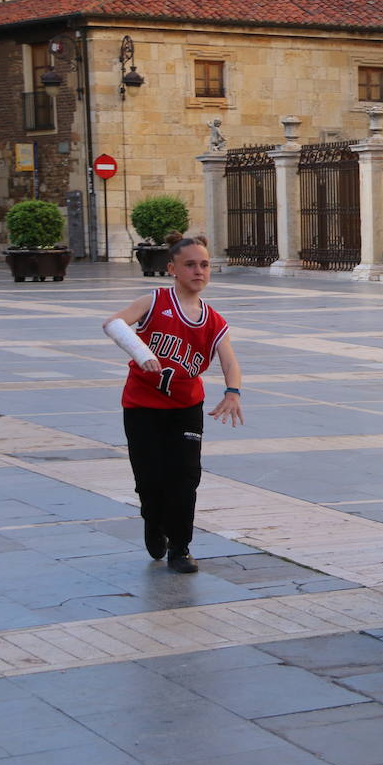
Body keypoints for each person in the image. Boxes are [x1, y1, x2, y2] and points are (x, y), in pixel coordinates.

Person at [102, 232, 242, 574]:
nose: (199, 271)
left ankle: (180, 547)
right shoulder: (155, 301)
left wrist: (232, 392)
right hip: (142, 406)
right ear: (172, 269)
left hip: (185, 409)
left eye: (204, 265)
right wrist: (141, 352)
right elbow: (113, 323)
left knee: (185, 477)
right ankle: (153, 521)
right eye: (190, 264)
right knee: (149, 479)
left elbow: (229, 361)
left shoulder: (213, 320)